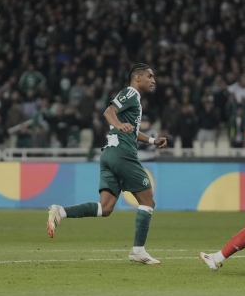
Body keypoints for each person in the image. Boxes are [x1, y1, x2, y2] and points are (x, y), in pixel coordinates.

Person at [46, 63, 167, 264]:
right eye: (150, 76)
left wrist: (153, 141)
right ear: (137, 78)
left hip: (109, 154)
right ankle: (138, 250)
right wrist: (119, 124)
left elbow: (132, 130)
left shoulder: (133, 101)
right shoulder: (130, 93)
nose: (153, 80)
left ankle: (61, 211)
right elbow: (109, 112)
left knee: (106, 207)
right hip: (123, 154)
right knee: (148, 201)